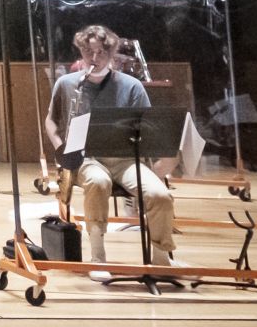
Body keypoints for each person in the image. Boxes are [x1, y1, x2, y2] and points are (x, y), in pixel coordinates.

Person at [42, 23, 175, 281]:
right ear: (81, 52)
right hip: (85, 159)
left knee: (160, 194)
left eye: (101, 53)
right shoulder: (67, 83)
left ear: (112, 53)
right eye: (88, 52)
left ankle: (161, 255)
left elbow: (147, 125)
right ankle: (98, 255)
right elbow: (51, 121)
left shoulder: (132, 86)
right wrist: (60, 147)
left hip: (124, 159)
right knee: (98, 181)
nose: (94, 58)